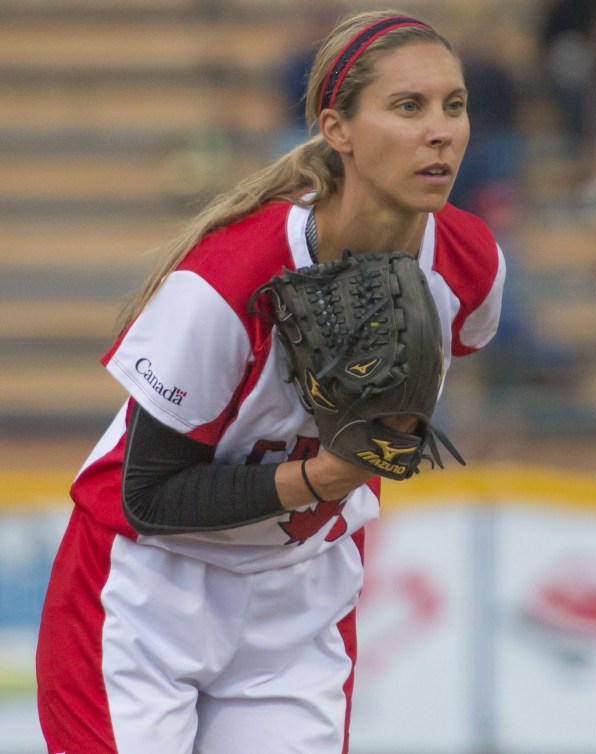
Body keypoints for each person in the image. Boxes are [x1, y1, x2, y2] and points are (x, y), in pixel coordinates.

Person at [36, 10, 505, 754]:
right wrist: (325, 474)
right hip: (145, 593)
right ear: (337, 127)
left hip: (301, 597)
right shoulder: (228, 280)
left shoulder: (471, 264)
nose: (440, 130)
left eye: (454, 104)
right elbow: (146, 495)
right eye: (407, 106)